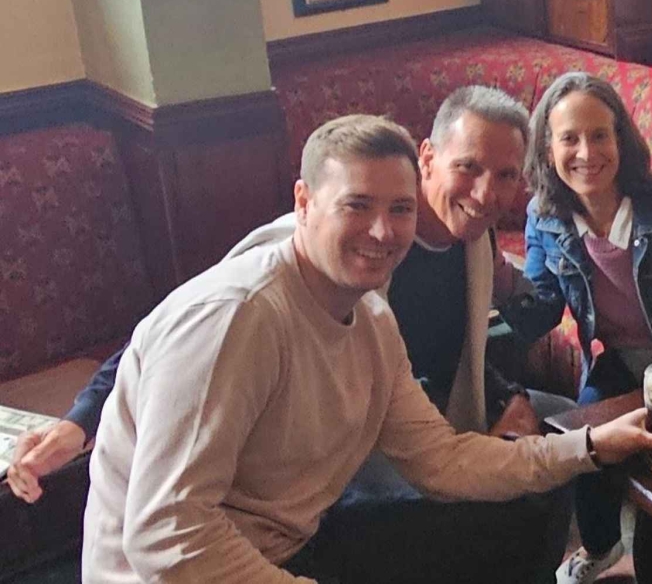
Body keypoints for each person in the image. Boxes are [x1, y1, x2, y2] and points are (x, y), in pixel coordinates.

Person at [79, 114, 652, 584]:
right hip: (174, 573)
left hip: (290, 544)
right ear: (304, 203)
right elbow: (166, 536)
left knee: (519, 516)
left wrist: (590, 446)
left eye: (400, 209)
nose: (384, 232)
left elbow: (441, 460)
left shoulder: (371, 319)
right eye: (357, 205)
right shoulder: (239, 318)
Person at [6, 86, 562, 509]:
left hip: (414, 414)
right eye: (469, 167)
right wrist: (81, 421)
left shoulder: (475, 246)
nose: (486, 193)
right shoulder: (329, 248)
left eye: (505, 175)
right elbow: (172, 330)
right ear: (428, 158)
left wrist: (509, 398)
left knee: (559, 432)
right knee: (471, 508)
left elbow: (459, 349)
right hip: (331, 441)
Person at [500, 72, 652, 584]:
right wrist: (493, 273)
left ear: (621, 140)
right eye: (569, 138)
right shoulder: (545, 216)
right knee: (585, 437)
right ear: (548, 149)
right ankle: (601, 547)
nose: (586, 152)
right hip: (617, 363)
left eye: (599, 135)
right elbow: (540, 313)